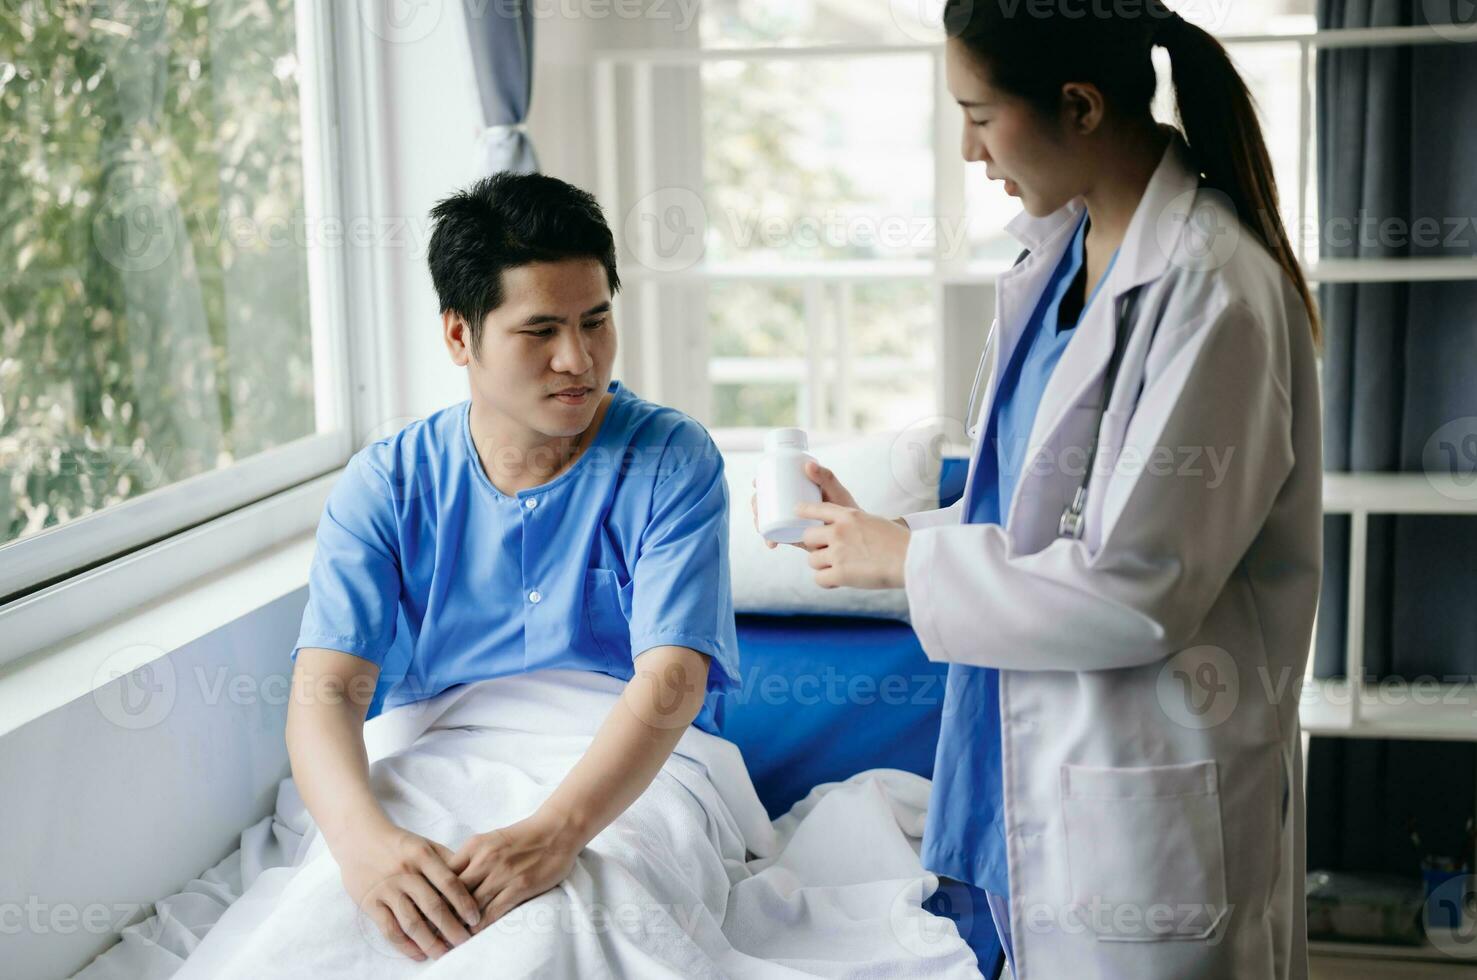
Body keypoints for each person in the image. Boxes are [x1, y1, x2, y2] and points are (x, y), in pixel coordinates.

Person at [772, 3, 1322, 977]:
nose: (968, 150)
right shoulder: (1054, 257)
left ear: (1076, 105)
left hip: (1143, 778)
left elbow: (1135, 588)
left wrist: (906, 561)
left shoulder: (1212, 289)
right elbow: (1026, 512)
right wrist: (886, 533)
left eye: (980, 115)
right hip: (1022, 751)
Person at [287, 171, 740, 963]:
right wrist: (366, 848)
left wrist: (554, 835)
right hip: (440, 748)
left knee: (564, 924)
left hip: (625, 773)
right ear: (460, 336)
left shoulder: (671, 458)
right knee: (343, 918)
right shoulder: (386, 482)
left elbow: (672, 679)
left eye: (596, 321)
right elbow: (324, 692)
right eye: (541, 332)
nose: (579, 358)